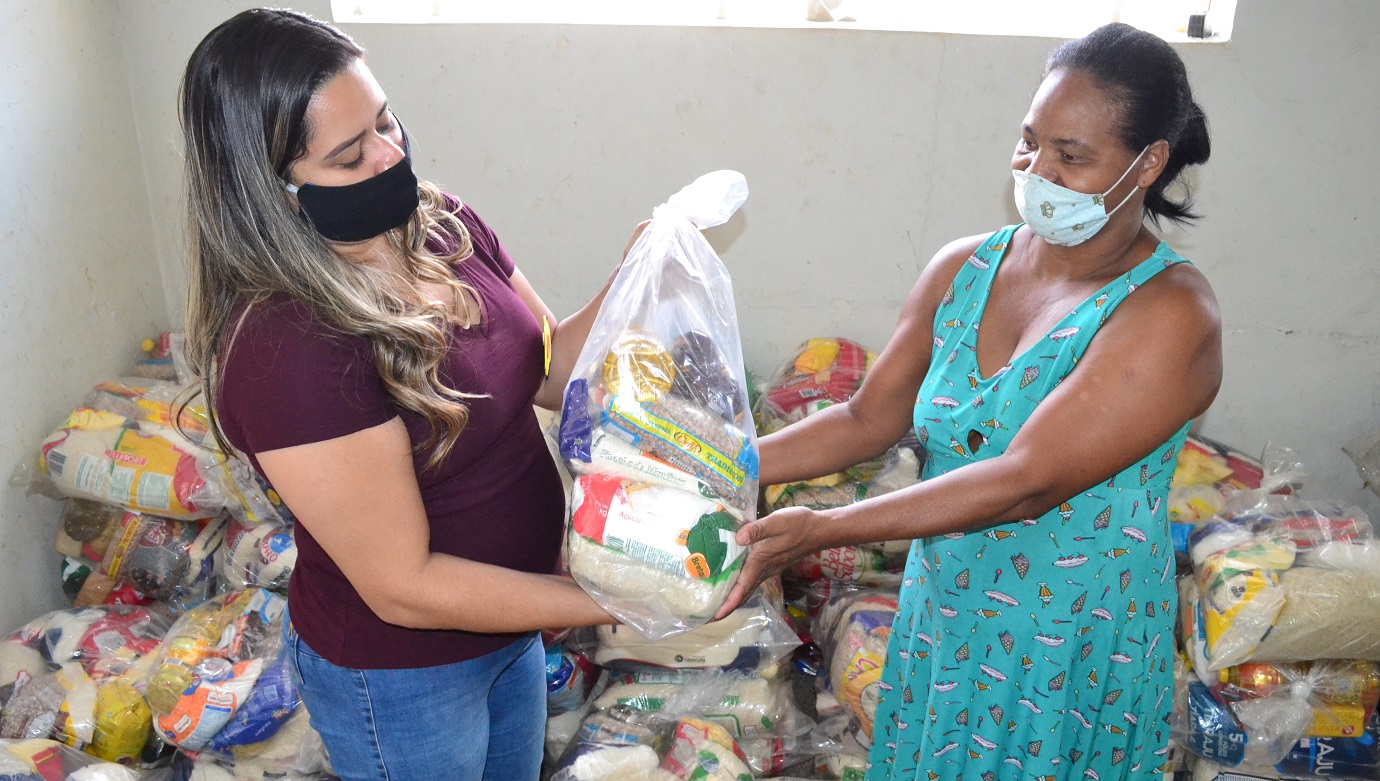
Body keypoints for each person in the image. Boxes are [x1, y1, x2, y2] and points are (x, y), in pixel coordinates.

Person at [717, 23, 1220, 781]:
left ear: (1147, 164)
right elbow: (867, 418)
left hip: (1069, 647)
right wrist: (722, 461)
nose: (1037, 169)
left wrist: (818, 528)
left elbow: (1026, 479)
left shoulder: (1169, 310)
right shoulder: (967, 267)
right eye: (1030, 141)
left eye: (1071, 156)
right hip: (947, 623)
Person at [178, 9, 635, 780]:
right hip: (404, 677)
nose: (392, 155)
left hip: (509, 632)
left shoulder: (439, 224)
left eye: (388, 121)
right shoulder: (288, 347)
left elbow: (551, 371)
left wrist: (636, 274)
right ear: (276, 193)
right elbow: (405, 588)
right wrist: (613, 601)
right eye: (353, 154)